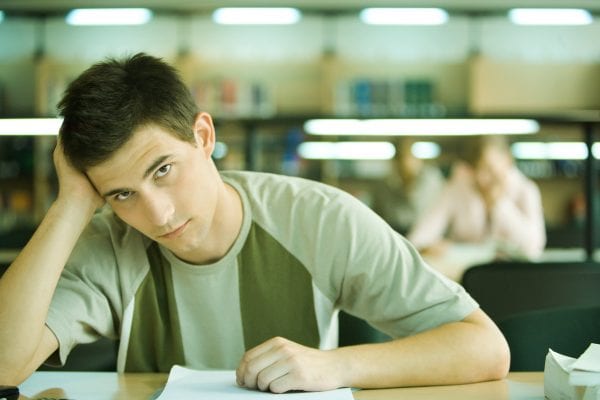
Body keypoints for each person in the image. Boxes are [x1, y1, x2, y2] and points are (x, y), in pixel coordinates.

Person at [0, 53, 509, 391]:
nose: (157, 215)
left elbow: (484, 347)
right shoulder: (111, 241)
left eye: (163, 170)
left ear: (203, 135)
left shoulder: (321, 220)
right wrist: (69, 205)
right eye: (122, 193)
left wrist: (336, 366)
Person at [408, 135, 546, 261]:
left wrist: (498, 204)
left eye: (488, 168)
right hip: (466, 277)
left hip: (513, 275)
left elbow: (534, 247)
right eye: (475, 170)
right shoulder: (457, 188)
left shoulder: (526, 190)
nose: (481, 178)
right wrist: (429, 247)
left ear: (507, 159)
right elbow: (418, 239)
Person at [372, 139, 445, 234]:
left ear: (418, 160)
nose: (404, 163)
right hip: (394, 233)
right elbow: (377, 214)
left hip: (425, 233)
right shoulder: (384, 184)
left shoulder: (431, 180)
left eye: (408, 157)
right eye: (400, 158)